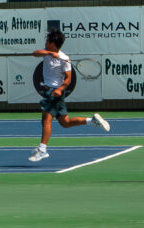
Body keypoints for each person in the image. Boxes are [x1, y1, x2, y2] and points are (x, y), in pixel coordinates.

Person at [29, 29, 109, 162]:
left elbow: (68, 79)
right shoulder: (46, 52)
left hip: (55, 93)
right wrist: (49, 53)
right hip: (51, 91)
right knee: (65, 123)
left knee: (46, 119)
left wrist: (60, 89)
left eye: (48, 41)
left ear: (53, 43)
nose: (45, 42)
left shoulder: (65, 59)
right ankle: (92, 120)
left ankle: (42, 150)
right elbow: (35, 53)